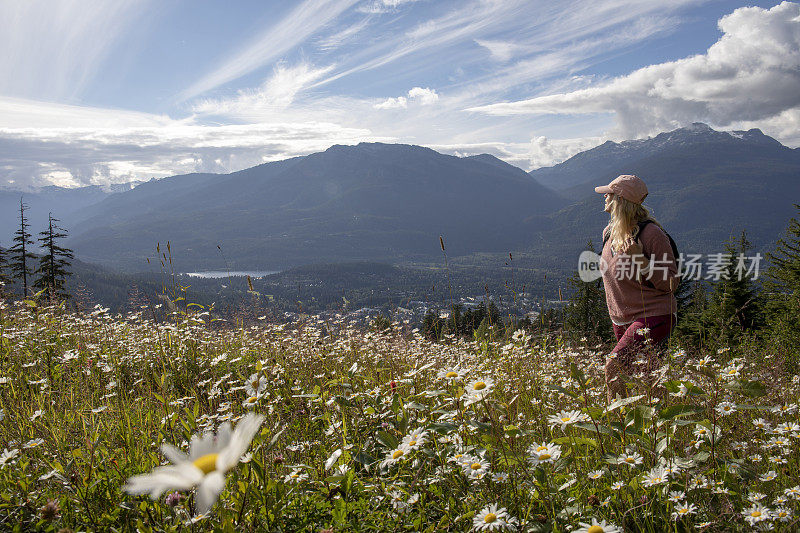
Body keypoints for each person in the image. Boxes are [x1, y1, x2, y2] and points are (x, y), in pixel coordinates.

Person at [594, 174, 679, 402]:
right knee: (648, 376)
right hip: (621, 318)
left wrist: (640, 259)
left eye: (608, 194)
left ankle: (618, 426)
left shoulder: (651, 234)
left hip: (653, 314)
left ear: (620, 200)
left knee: (613, 367)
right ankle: (658, 426)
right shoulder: (609, 233)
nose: (605, 198)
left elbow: (671, 281)